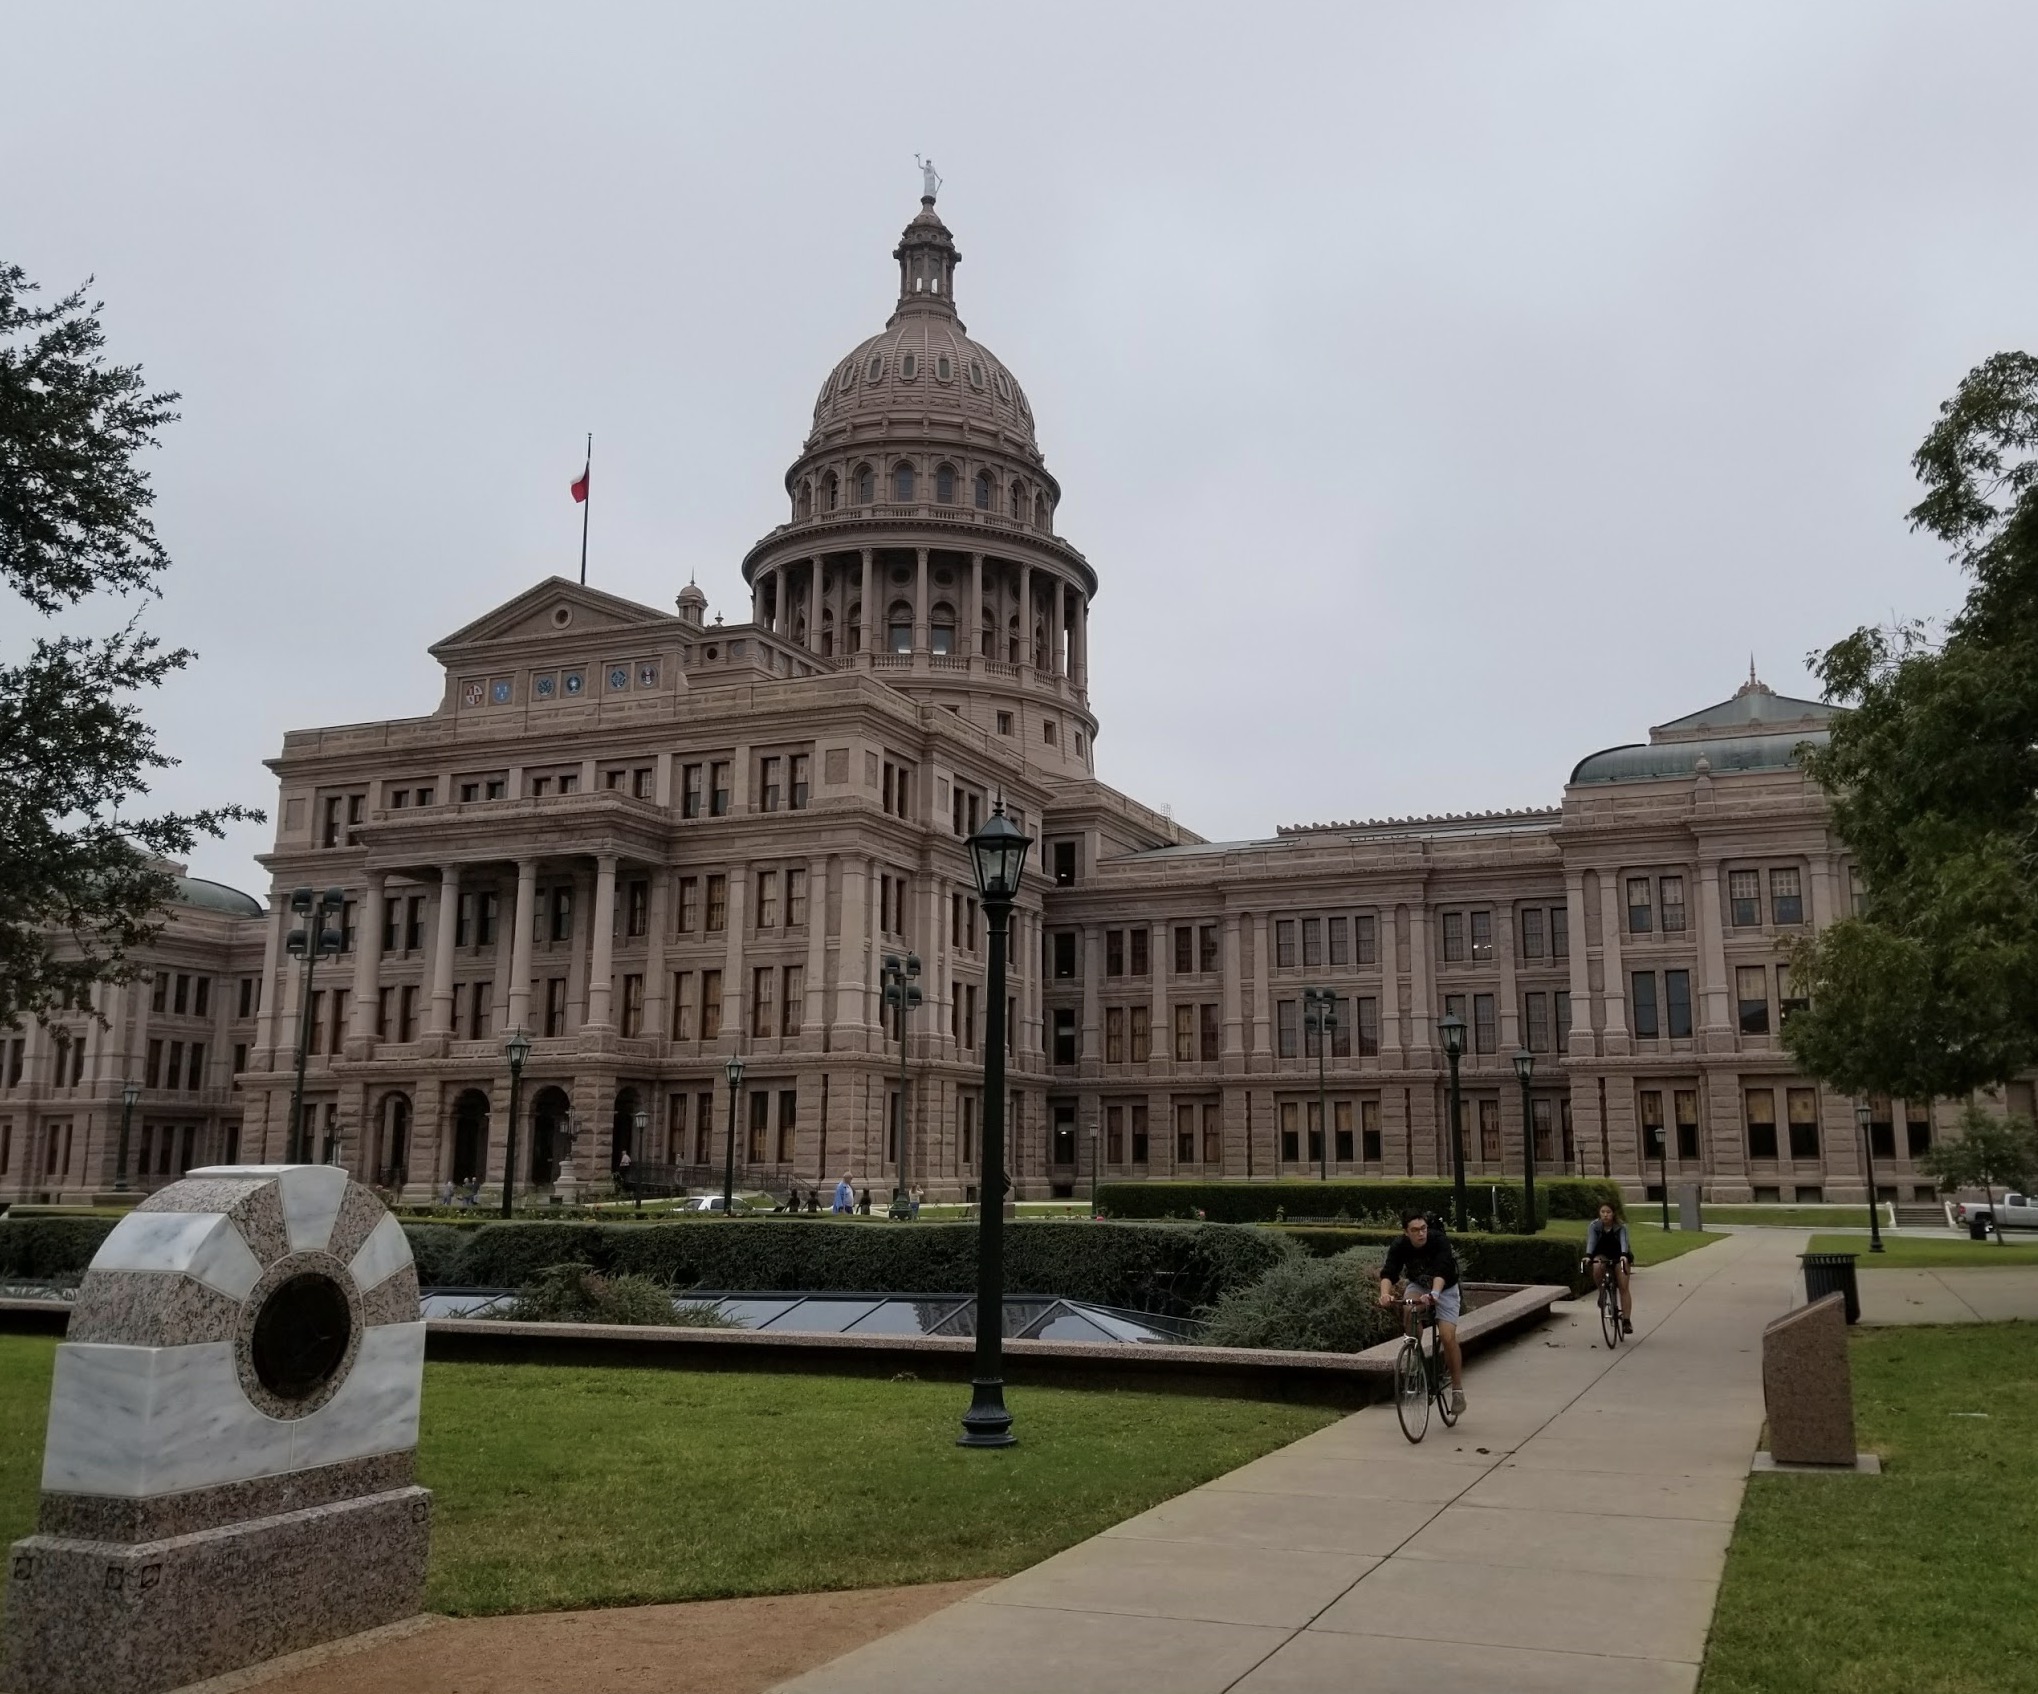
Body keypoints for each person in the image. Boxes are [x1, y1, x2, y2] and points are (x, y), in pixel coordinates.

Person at [1377, 1210, 1465, 1414]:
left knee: (1447, 1336)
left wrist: (1435, 1293)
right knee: (1409, 1308)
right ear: (1406, 1232)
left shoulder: (1439, 1241)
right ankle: (1414, 1354)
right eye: (1415, 1230)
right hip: (1419, 1285)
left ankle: (1458, 1390)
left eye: (1423, 1228)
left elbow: (1442, 1269)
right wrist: (1385, 1294)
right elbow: (1389, 1272)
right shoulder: (1400, 1246)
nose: (1421, 1233)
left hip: (1445, 1288)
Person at [1585, 1202, 1634, 1333]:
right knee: (1597, 1266)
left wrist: (1624, 1255)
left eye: (1608, 1212)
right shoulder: (1594, 1226)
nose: (1605, 1215)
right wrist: (1588, 1256)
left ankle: (1626, 1321)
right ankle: (1602, 1292)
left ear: (1613, 1214)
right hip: (1602, 1253)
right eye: (1603, 1212)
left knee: (1624, 1286)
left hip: (1619, 1255)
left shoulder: (1621, 1227)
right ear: (1599, 1214)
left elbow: (1624, 1242)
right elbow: (1591, 1241)